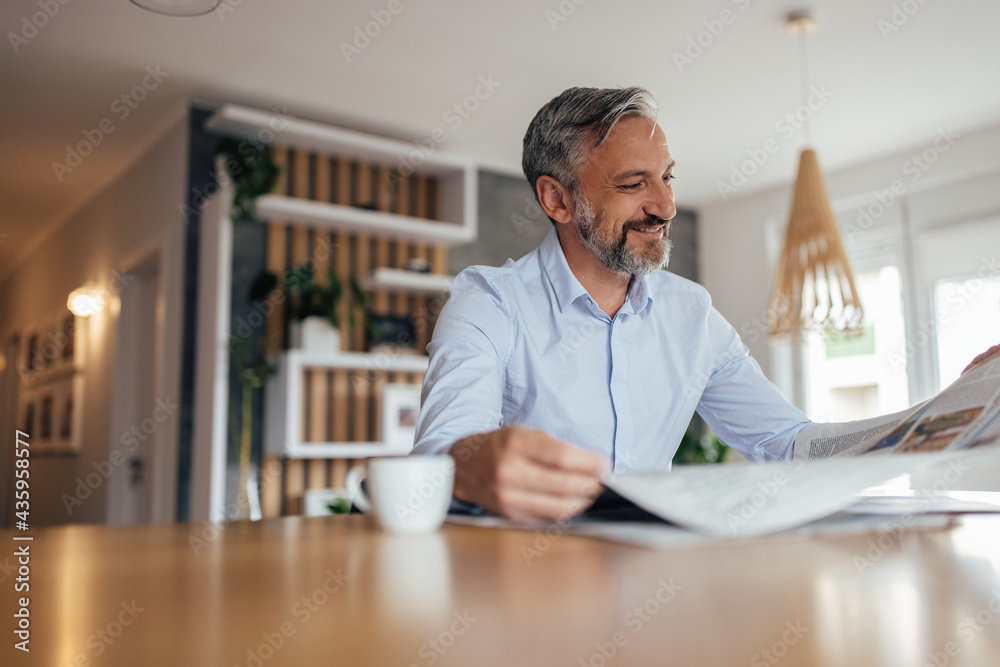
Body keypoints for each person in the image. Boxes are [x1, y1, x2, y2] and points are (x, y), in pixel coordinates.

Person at [410, 85, 999, 522]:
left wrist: (939, 412)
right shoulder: (488, 301)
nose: (664, 206)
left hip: (649, 583)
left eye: (667, 177)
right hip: (510, 585)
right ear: (557, 199)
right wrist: (474, 459)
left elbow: (790, 444)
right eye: (633, 184)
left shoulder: (691, 314)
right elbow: (443, 448)